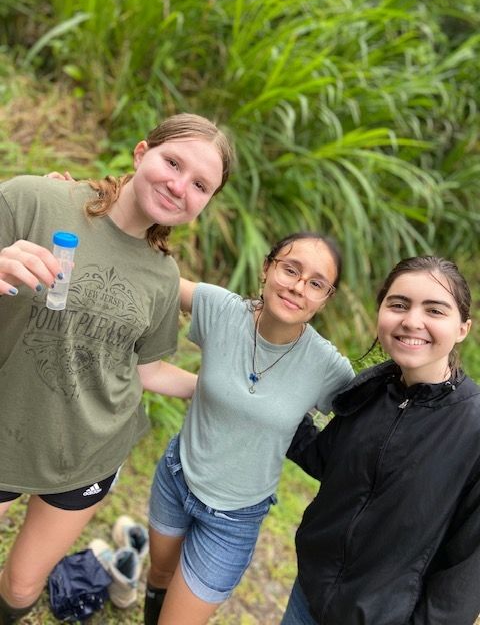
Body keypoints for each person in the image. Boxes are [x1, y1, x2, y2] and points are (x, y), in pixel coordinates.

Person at [0, 112, 234, 624]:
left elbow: (147, 371)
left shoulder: (163, 276)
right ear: (140, 151)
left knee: (20, 585)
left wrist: (213, 390)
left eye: (200, 185)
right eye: (172, 162)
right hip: (6, 426)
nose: (179, 187)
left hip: (89, 449)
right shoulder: (36, 200)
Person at [143, 232, 355, 625]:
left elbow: (379, 418)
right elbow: (151, 274)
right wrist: (84, 204)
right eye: (290, 269)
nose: (297, 287)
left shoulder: (328, 367)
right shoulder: (223, 310)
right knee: (159, 575)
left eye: (316, 283)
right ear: (267, 268)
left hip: (235, 518)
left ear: (326, 298)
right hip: (177, 478)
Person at [281, 255, 480, 625]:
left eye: (434, 310)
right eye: (398, 304)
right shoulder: (374, 389)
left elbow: (467, 571)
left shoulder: (474, 427)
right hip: (309, 595)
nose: (411, 321)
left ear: (463, 328)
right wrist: (271, 403)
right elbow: (327, 460)